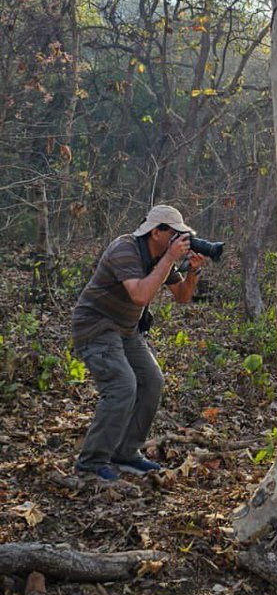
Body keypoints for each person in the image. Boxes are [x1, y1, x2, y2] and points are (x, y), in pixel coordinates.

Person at [72, 204, 207, 482]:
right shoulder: (125, 249)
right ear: (156, 231)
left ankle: (126, 452)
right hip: (95, 324)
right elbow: (140, 296)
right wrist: (169, 258)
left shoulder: (161, 256)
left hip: (125, 329)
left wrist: (192, 272)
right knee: (122, 386)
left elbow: (182, 296)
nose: (177, 240)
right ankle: (91, 462)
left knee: (152, 381)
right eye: (173, 233)